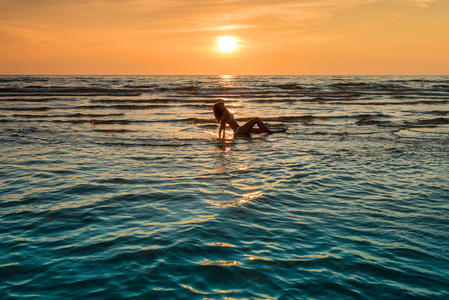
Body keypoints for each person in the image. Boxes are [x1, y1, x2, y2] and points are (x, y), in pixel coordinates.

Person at [213, 102, 285, 138]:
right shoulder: (225, 113)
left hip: (239, 130)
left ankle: (278, 131)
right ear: (220, 108)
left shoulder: (224, 114)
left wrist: (222, 137)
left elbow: (223, 127)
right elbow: (222, 127)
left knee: (261, 130)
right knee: (256, 119)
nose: (223, 105)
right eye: (221, 105)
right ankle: (271, 132)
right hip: (239, 130)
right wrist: (221, 137)